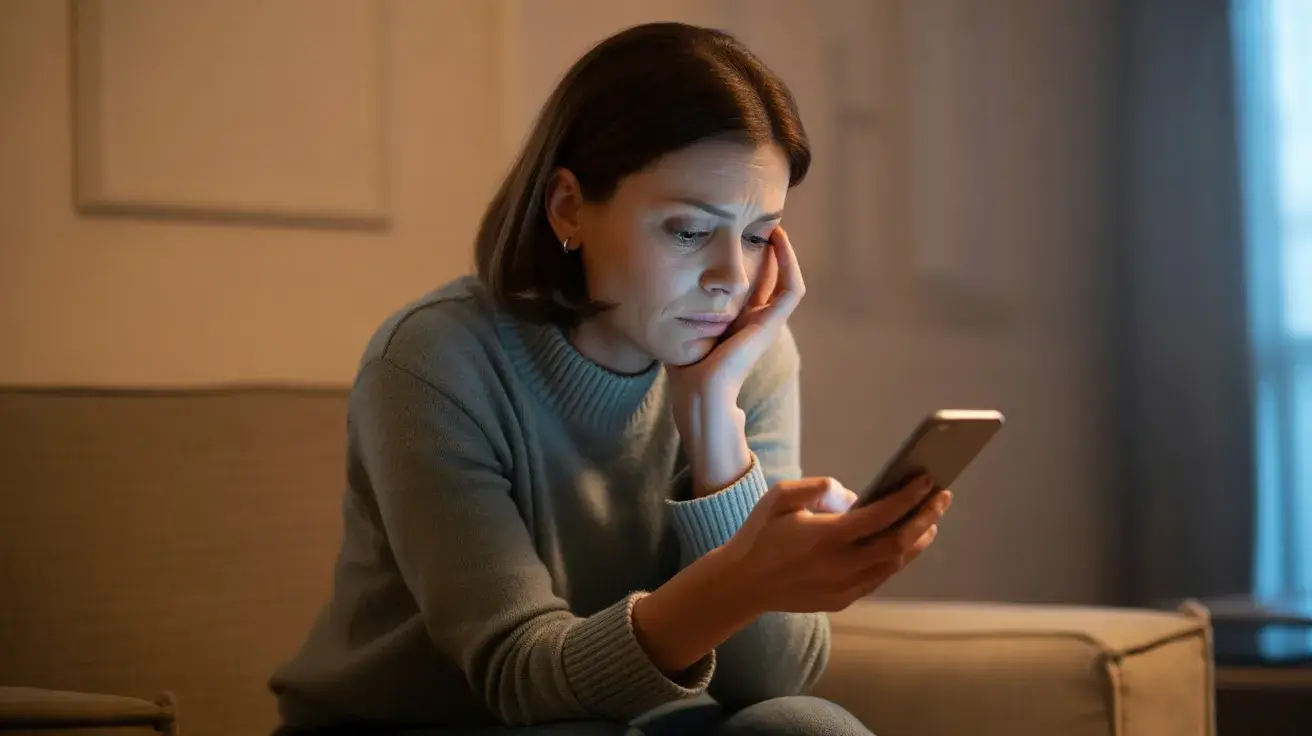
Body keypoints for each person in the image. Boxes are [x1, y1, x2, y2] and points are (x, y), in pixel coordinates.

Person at [269, 21, 951, 736]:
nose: (732, 279)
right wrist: (742, 578)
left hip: (622, 720)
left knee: (803, 725)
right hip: (423, 724)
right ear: (568, 207)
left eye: (757, 236)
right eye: (689, 231)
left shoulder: (750, 358)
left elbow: (770, 679)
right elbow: (518, 677)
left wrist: (716, 426)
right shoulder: (435, 360)